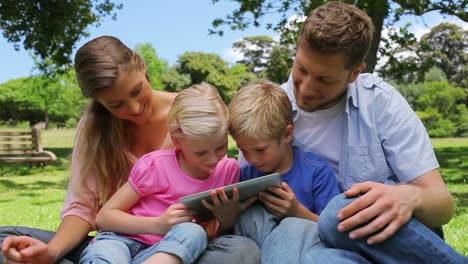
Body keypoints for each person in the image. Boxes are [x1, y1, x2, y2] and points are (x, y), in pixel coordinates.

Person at [237, 2, 466, 263]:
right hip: (326, 246)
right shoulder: (269, 111)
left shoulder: (382, 103)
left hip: (393, 244)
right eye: (301, 69)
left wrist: (411, 196)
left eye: (325, 80)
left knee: (337, 210)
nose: (306, 89)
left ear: (355, 73)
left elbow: (443, 207)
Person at [1, 35, 260, 264]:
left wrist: (221, 220)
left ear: (142, 66)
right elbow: (83, 211)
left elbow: (209, 203)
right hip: (115, 240)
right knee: (7, 239)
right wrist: (52, 252)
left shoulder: (193, 117)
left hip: (176, 247)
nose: (135, 108)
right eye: (117, 104)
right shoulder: (93, 129)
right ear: (99, 102)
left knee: (242, 251)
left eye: (137, 90)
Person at [79, 82, 255, 264]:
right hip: (121, 241)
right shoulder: (155, 165)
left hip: (168, 252)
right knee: (105, 253)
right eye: (200, 152)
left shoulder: (228, 170)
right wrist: (159, 225)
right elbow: (104, 218)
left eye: (220, 147)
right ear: (176, 141)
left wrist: (226, 219)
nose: (212, 159)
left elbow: (212, 234)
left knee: (193, 231)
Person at [227, 80, 343, 250]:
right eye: (243, 150)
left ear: (287, 134)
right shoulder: (246, 175)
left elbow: (335, 231)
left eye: (260, 150)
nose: (251, 158)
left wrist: (297, 212)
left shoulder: (317, 172)